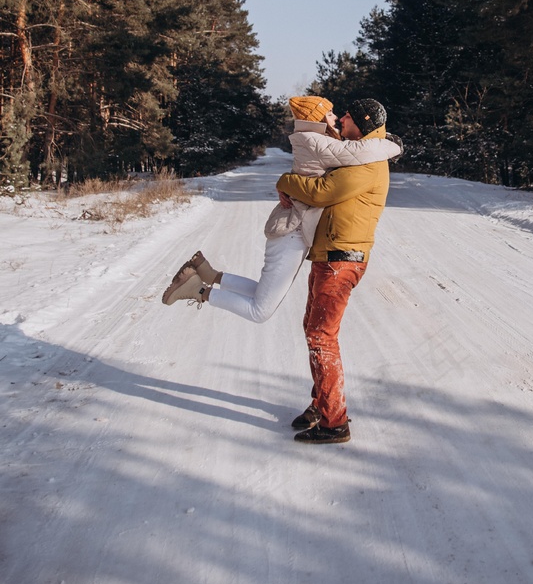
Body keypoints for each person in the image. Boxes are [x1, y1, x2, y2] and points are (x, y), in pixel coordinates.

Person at [160, 97, 401, 324]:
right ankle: (197, 290)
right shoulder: (316, 140)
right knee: (260, 311)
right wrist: (392, 145)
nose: (337, 117)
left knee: (262, 292)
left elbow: (354, 148)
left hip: (295, 228)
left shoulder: (322, 139)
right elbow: (355, 154)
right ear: (316, 119)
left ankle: (209, 274)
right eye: (329, 113)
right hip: (293, 229)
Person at [276, 98, 392, 445]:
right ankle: (321, 404)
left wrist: (285, 180)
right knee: (313, 329)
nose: (341, 118)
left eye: (348, 116)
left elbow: (324, 191)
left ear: (363, 123)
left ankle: (334, 422)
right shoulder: (360, 150)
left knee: (321, 335)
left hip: (342, 257)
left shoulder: (369, 161)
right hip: (330, 253)